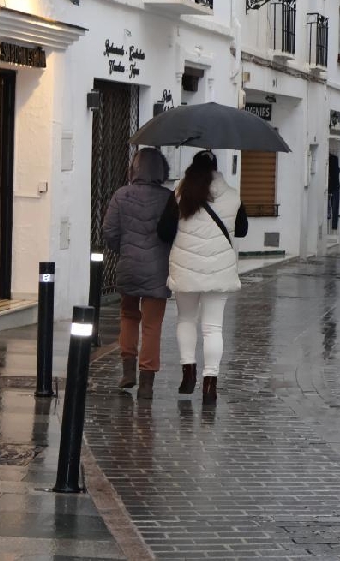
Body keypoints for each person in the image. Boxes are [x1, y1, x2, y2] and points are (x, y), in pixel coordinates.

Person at [158, 150, 248, 405]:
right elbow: (241, 230)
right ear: (216, 170)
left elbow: (164, 231)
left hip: (186, 268)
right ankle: (210, 384)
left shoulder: (179, 193)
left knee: (186, 319)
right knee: (213, 327)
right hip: (220, 269)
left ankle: (188, 375)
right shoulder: (232, 195)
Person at [102, 148, 173, 399]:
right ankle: (146, 383)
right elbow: (174, 233)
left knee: (128, 317)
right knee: (152, 325)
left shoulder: (121, 195)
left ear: (134, 169)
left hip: (129, 267)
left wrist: (124, 250)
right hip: (158, 270)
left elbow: (109, 232)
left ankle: (127, 371)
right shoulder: (169, 198)